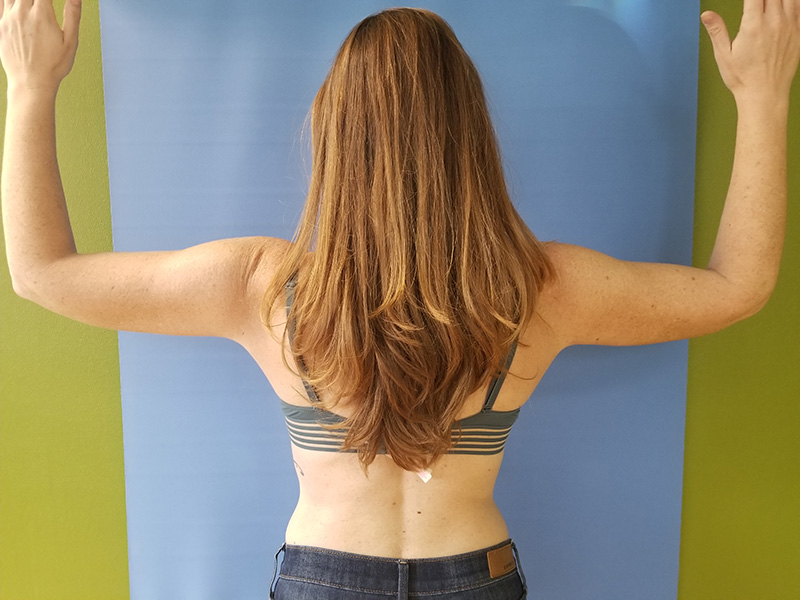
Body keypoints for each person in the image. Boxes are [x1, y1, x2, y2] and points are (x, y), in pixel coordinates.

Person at [2, 1, 798, 598]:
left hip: (324, 579)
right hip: (475, 576)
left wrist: (31, 88)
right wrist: (763, 103)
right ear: (472, 135)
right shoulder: (540, 291)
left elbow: (40, 272)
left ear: (331, 132)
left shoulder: (264, 289)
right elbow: (739, 287)